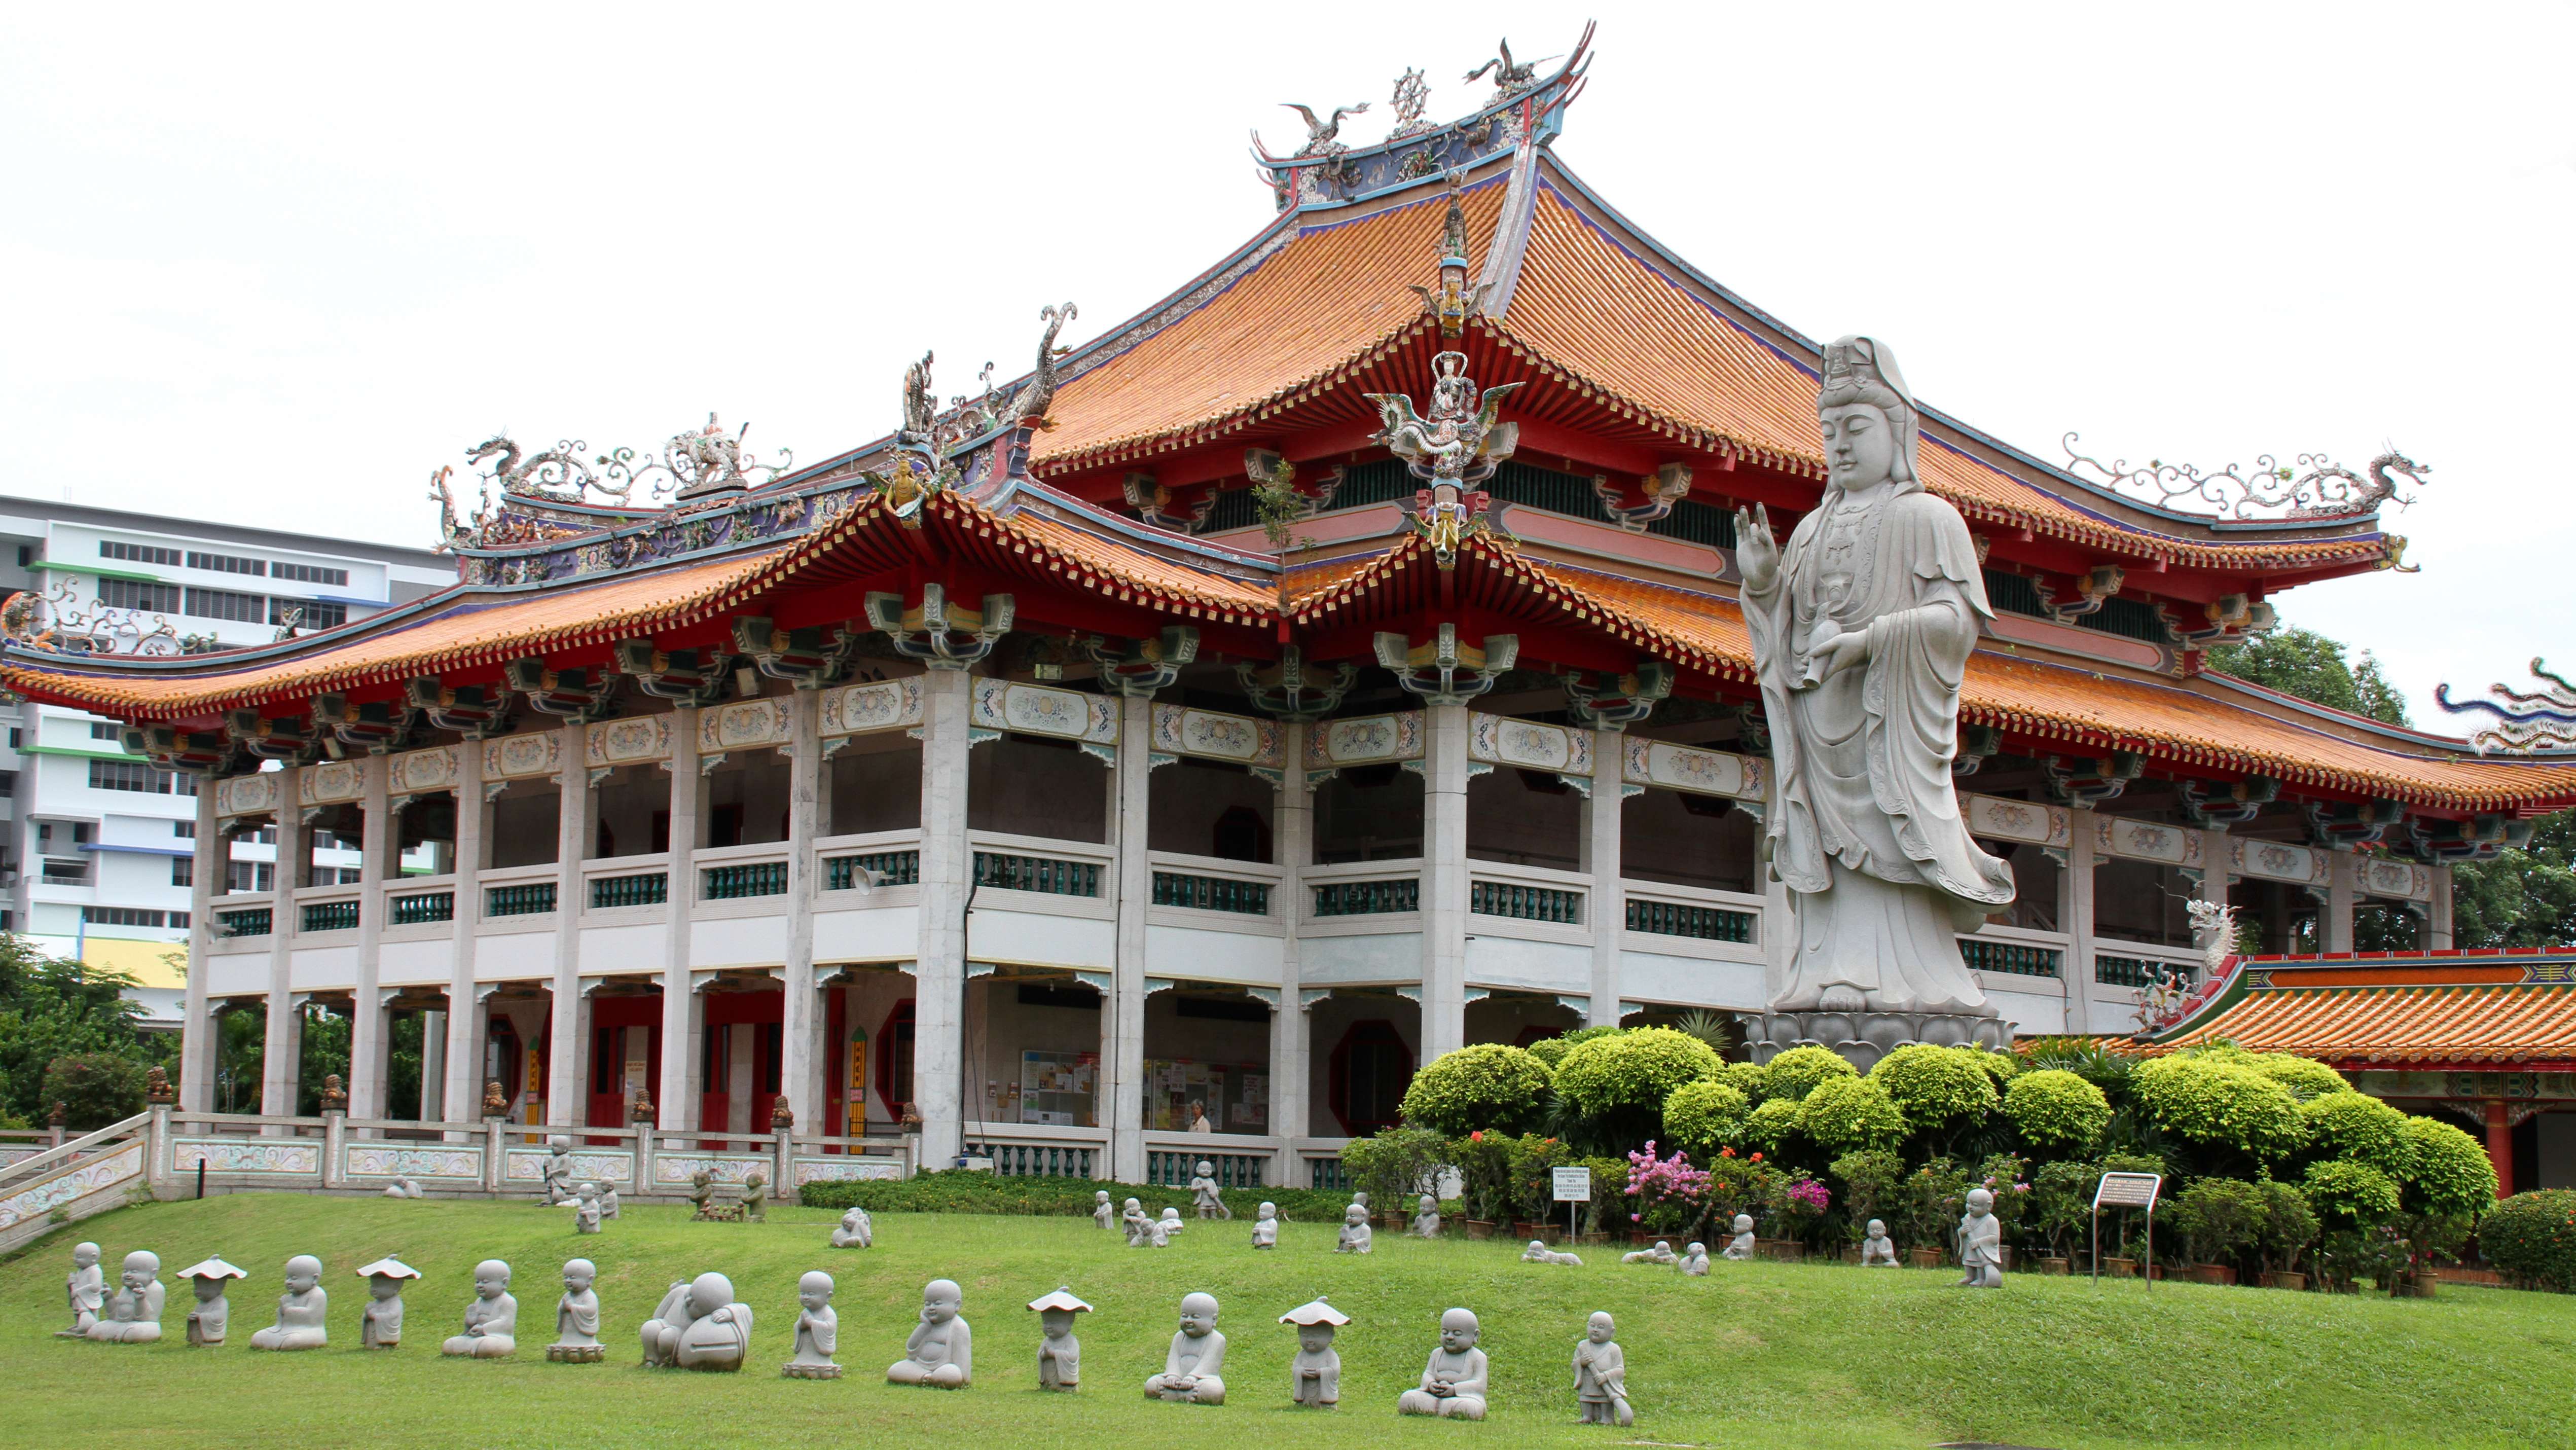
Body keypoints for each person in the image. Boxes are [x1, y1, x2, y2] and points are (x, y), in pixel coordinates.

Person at [1734, 336, 2015, 1017]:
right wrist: (1765, 584)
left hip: (1887, 727)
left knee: (1891, 855)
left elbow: (1956, 624)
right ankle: (1823, 974)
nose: (1840, 445)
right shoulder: (1807, 530)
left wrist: (1867, 642)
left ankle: (1910, 983)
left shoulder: (1928, 518)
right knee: (1829, 871)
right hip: (1821, 729)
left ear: (1897, 432)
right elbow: (1788, 636)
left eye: (1856, 428)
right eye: (1829, 431)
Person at [1396, 1308, 1489, 1419]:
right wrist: (1431, 1384)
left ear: (1475, 1336)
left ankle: (1442, 1410)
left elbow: (1480, 1383)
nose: (1449, 1337)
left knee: (1472, 1408)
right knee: (1408, 1399)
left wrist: (1454, 1389)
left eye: (1457, 1334)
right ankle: (1440, 1410)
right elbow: (1428, 1373)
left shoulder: (1478, 1357)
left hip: (1460, 1398)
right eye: (1445, 1332)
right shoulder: (1437, 1353)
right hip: (1433, 1398)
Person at [1143, 1292, 1226, 1404]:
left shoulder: (1217, 1339)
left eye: (1195, 1317)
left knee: (1213, 1392)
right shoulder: (1179, 1337)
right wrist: (1173, 1375)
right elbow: (1173, 1359)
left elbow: (1208, 1364)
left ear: (1214, 1320)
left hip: (1202, 1380)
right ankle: (1183, 1394)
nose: (1188, 1320)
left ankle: (1177, 1394)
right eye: (1184, 1316)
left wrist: (1193, 1377)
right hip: (1176, 1380)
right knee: (1152, 1385)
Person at [1572, 1311, 1634, 1427]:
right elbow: (1574, 1364)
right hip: (1588, 1381)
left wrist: (1605, 1376)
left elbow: (1620, 1369)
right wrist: (1581, 1362)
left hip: (1605, 1383)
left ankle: (1607, 1417)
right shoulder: (1582, 1346)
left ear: (1612, 1332)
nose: (1595, 1330)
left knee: (1605, 1399)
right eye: (1592, 1326)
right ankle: (1587, 1416)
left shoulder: (1614, 1349)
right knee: (1586, 1397)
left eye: (1601, 1327)